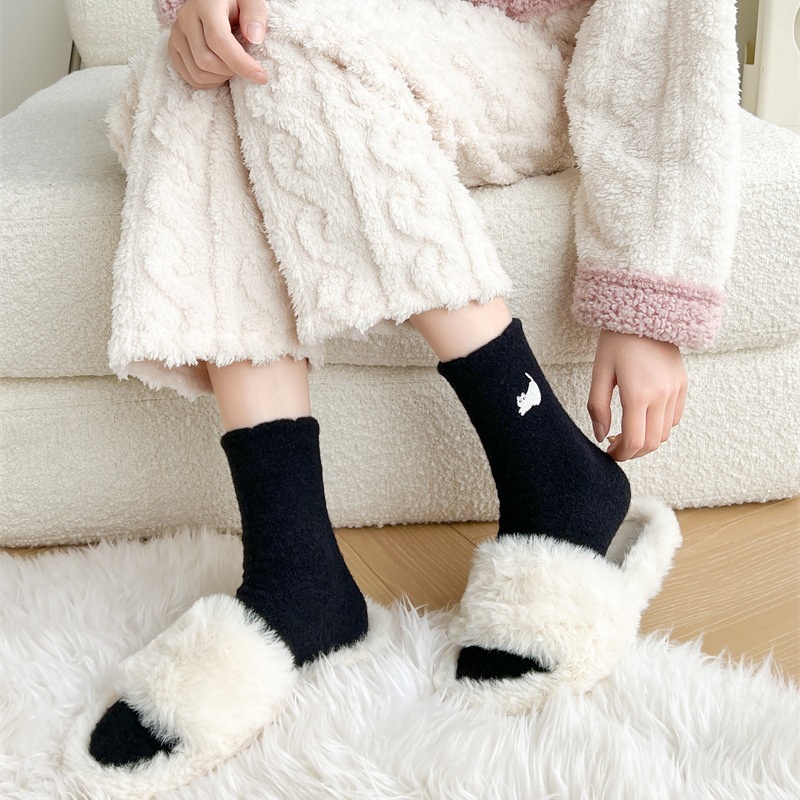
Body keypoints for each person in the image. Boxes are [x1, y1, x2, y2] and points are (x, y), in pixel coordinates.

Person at [77, 0, 739, 783]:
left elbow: (667, 33)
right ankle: (294, 563)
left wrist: (648, 296)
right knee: (203, 66)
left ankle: (545, 462)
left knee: (271, 36)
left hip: (530, 58)